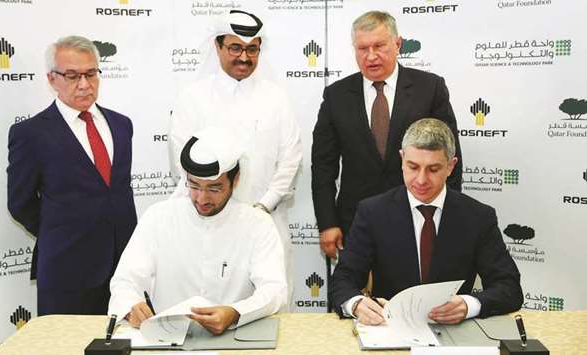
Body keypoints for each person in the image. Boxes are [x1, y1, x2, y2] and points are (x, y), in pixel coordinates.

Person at [168, 10, 302, 306]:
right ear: (217, 47)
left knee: (272, 305)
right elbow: (182, 160)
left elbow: (291, 156)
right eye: (235, 48)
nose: (244, 56)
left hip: (266, 220)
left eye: (252, 48)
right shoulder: (193, 97)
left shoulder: (276, 97)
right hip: (208, 224)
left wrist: (263, 207)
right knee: (210, 308)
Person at [331, 118, 522, 325]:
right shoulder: (372, 212)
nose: (421, 180)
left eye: (433, 169)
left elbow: (509, 287)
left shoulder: (477, 217)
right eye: (413, 167)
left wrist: (470, 305)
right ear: (402, 159)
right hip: (391, 329)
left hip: (454, 333)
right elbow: (343, 280)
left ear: (451, 166)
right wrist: (357, 304)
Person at [312, 11, 463, 259]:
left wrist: (446, 216)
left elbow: (451, 157)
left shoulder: (430, 88)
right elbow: (323, 165)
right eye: (362, 48)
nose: (371, 56)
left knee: (416, 296)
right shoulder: (336, 95)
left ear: (397, 44)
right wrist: (327, 222)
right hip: (356, 222)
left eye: (379, 46)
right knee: (359, 296)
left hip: (418, 217)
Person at [110, 127, 287, 335]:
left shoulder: (258, 224)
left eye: (214, 189)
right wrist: (131, 305)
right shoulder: (158, 217)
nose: (202, 199)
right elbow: (125, 280)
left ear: (235, 180)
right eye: (194, 186)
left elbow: (274, 290)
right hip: (169, 340)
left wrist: (235, 312)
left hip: (235, 338)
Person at [7, 35, 137, 315]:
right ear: (52, 79)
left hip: (126, 272)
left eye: (91, 73)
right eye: (72, 75)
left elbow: (119, 192)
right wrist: (63, 231)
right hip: (67, 272)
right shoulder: (31, 134)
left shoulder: (122, 125)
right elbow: (20, 203)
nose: (84, 84)